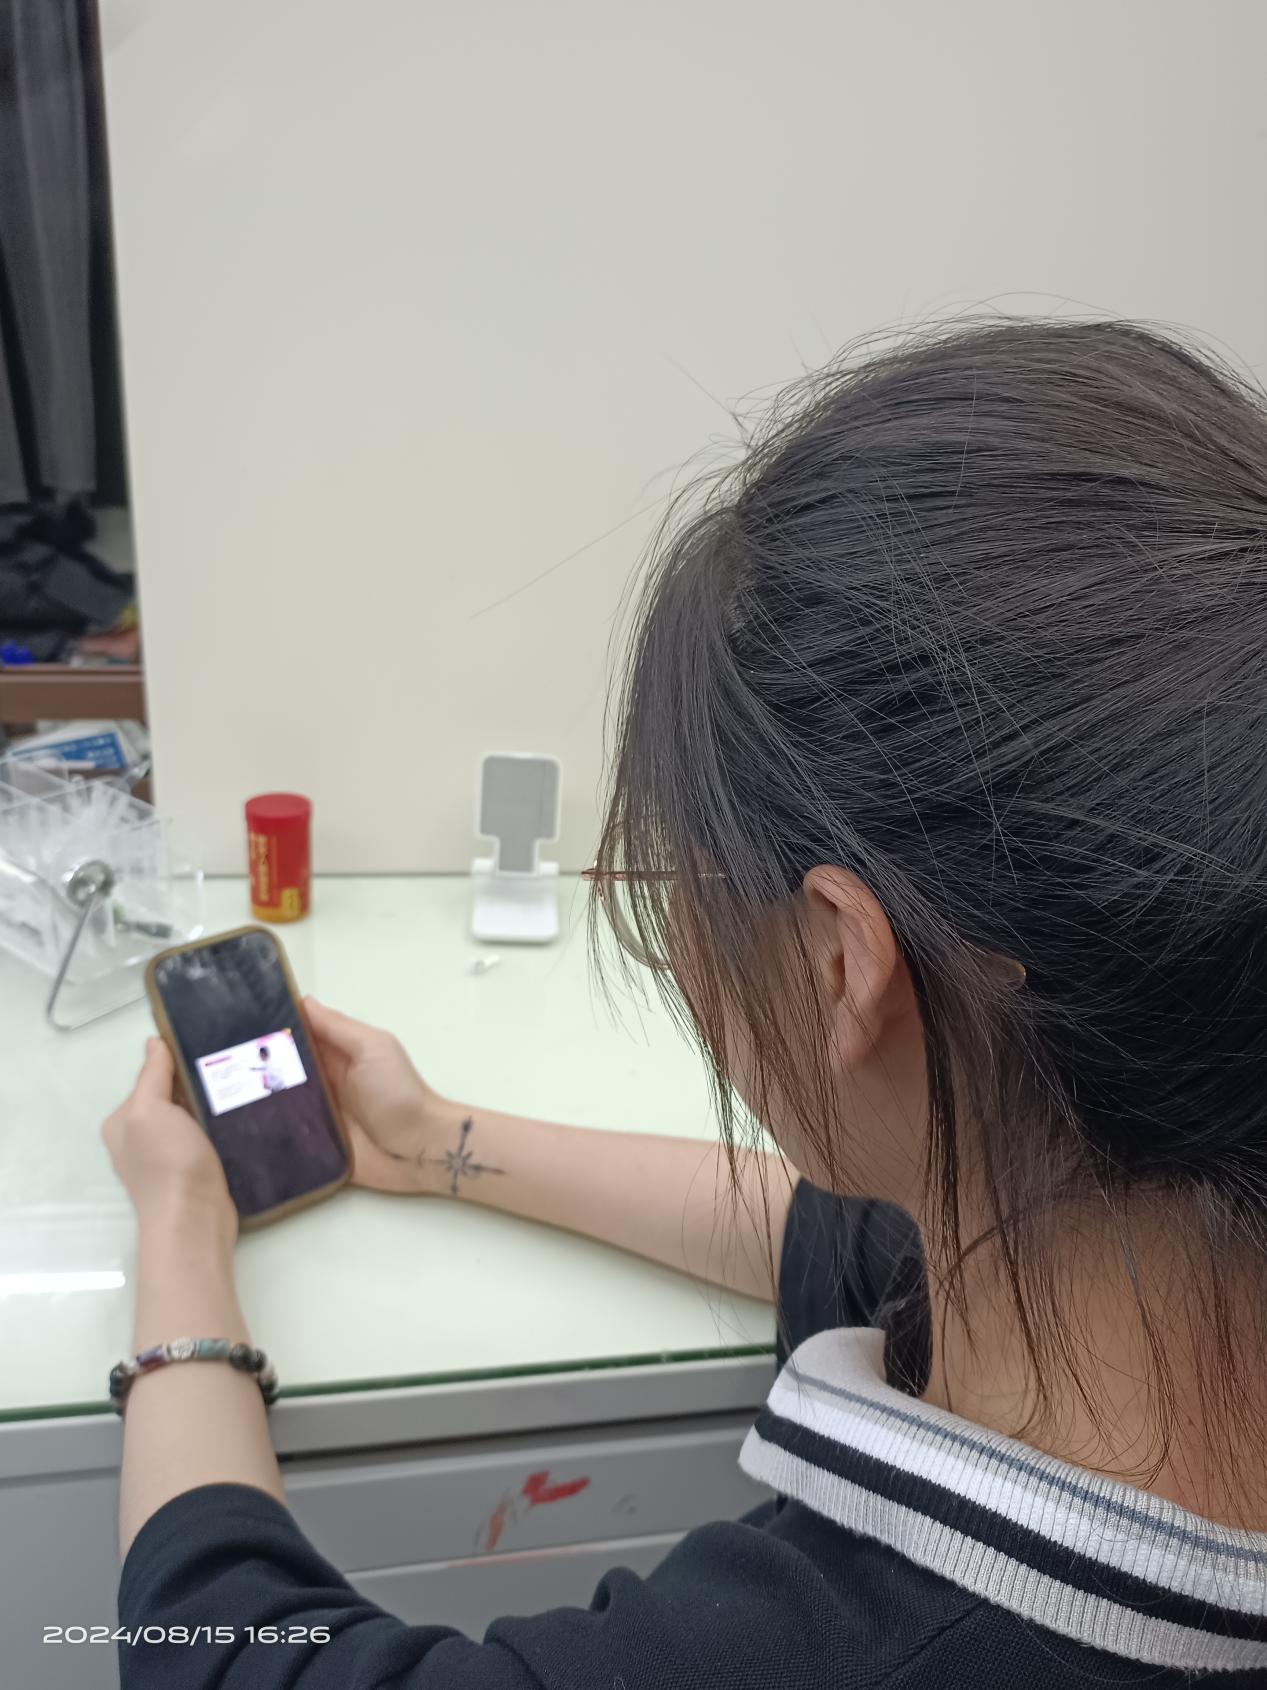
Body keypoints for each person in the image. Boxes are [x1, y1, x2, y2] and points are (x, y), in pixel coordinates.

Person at [103, 321, 1267, 1686]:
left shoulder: (847, 1655)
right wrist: (434, 1141)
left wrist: (179, 1240)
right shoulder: (1159, 1194)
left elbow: (222, 1664)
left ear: (839, 961)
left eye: (680, 889)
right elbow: (848, 1235)